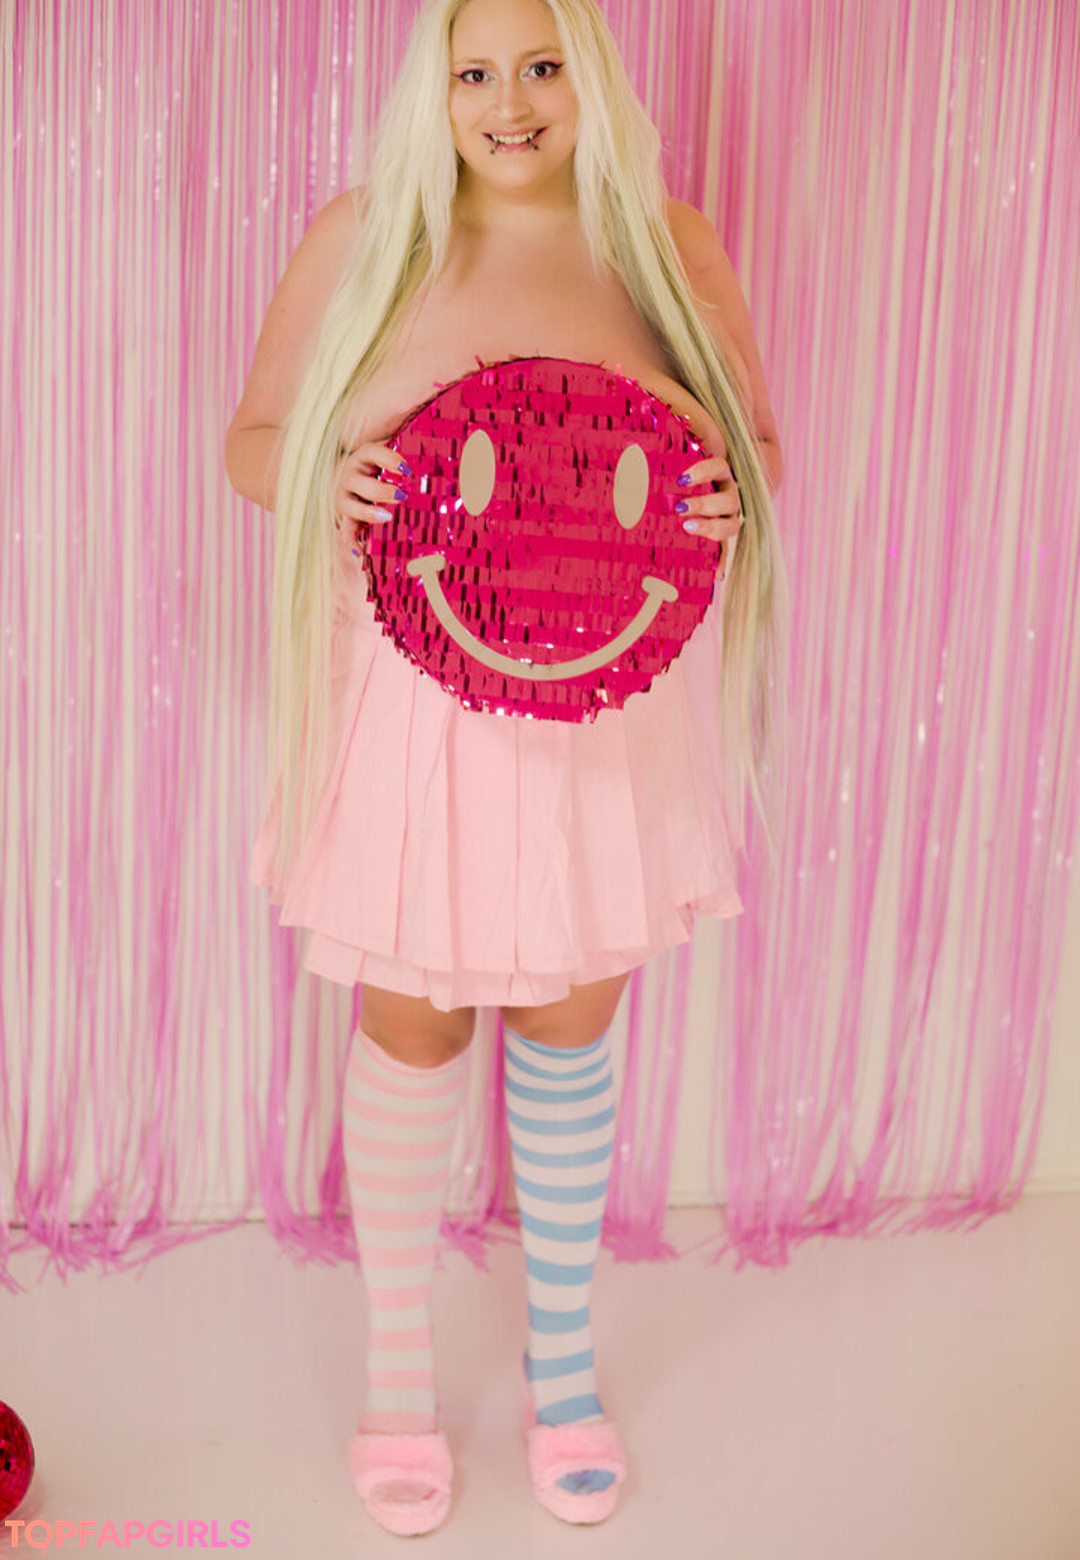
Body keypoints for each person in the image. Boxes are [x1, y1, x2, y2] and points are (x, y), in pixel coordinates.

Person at [225, 0, 786, 1536]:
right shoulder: (371, 237)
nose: (510, 102)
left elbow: (751, 458)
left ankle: (564, 1372)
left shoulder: (665, 246)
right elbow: (254, 440)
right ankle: (399, 1382)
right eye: (476, 71)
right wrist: (329, 464)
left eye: (541, 66)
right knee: (411, 1028)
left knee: (566, 1021)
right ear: (438, 87)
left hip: (605, 715)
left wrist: (727, 497)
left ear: (588, 76)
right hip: (412, 715)